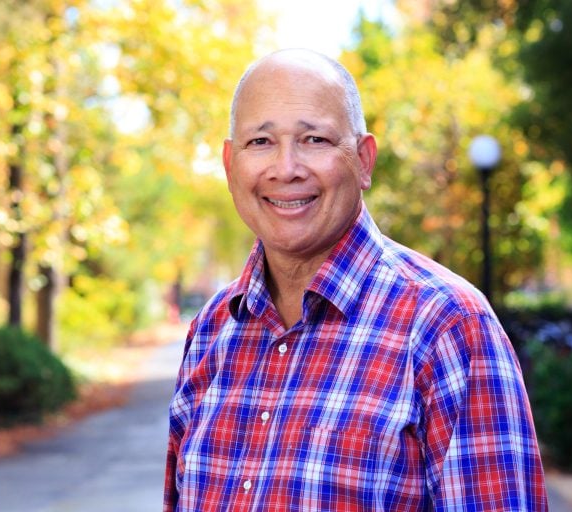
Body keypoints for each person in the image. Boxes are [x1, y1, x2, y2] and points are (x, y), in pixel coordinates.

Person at [164, 48, 548, 511]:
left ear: (364, 161)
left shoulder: (448, 325)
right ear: (230, 165)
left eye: (315, 140)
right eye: (260, 142)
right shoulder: (211, 331)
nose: (286, 168)